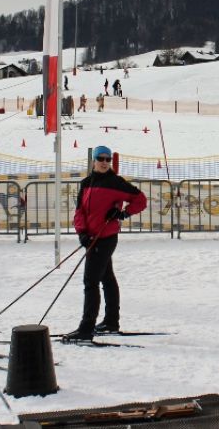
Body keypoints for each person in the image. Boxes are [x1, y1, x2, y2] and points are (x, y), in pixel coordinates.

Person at [62, 146, 147, 341]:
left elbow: (140, 200)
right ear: (93, 160)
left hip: (106, 237)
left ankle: (86, 329)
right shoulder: (86, 183)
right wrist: (82, 233)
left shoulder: (116, 182)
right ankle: (110, 322)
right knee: (107, 278)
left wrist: (122, 213)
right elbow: (79, 211)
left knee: (90, 281)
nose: (104, 162)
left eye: (108, 159)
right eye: (100, 158)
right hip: (90, 238)